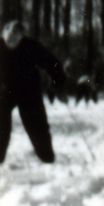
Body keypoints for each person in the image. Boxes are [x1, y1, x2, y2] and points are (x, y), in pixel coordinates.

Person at [0, 20, 68, 164]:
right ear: (4, 34)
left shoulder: (30, 46)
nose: (11, 41)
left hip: (28, 90)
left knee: (37, 125)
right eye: (9, 38)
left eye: (15, 38)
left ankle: (47, 158)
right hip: (4, 90)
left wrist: (59, 85)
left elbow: (52, 63)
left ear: (21, 36)